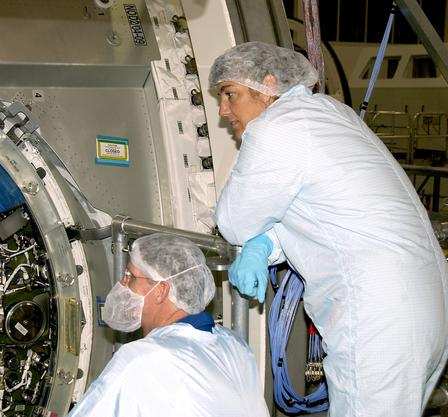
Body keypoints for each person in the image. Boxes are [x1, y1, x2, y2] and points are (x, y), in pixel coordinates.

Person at [210, 41, 448, 417]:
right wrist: (266, 243)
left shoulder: (275, 128)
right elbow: (317, 210)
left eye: (230, 94)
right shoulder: (330, 113)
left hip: (377, 316)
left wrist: (255, 240)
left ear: (268, 84)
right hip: (424, 302)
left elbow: (234, 220)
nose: (224, 111)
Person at [68, 233, 269, 417]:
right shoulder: (235, 345)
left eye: (130, 276)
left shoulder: (141, 359)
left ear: (160, 290)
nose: (122, 283)